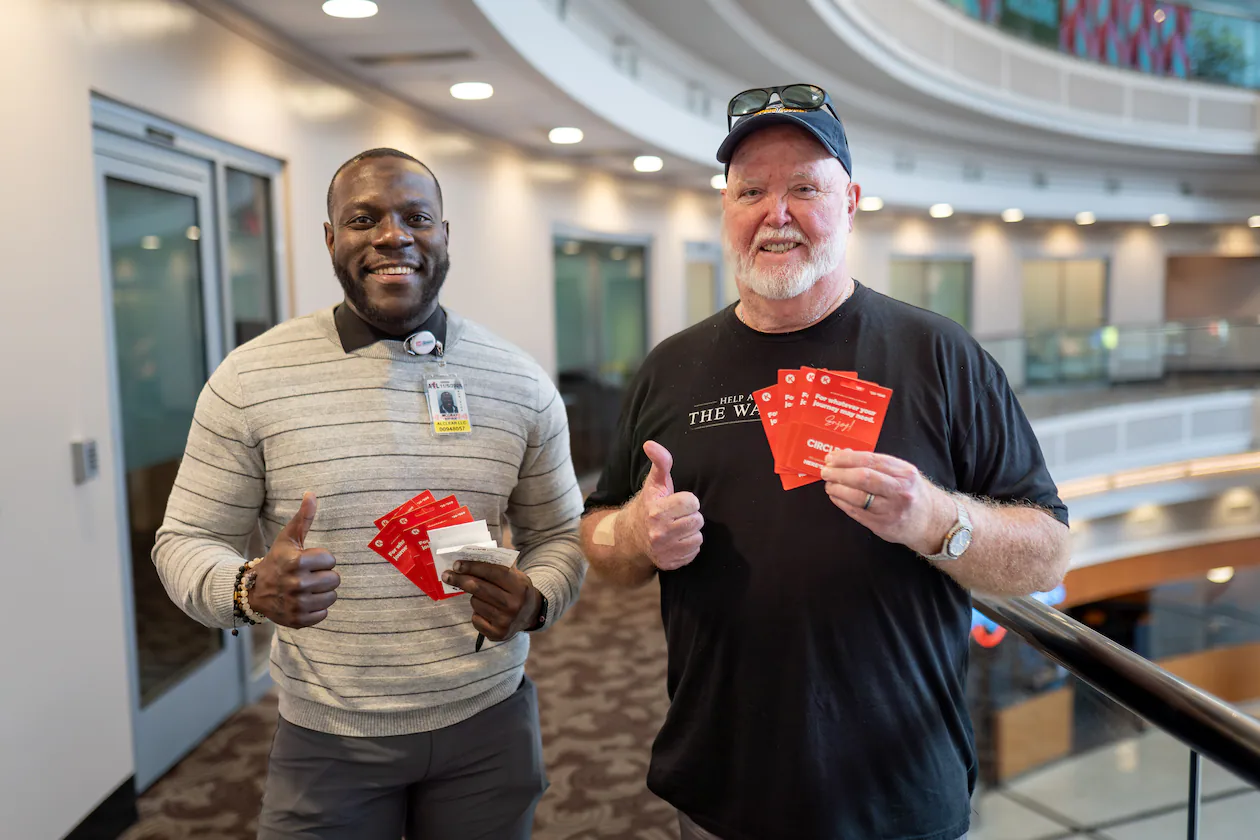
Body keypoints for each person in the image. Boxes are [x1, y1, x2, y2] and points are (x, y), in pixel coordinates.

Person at [579, 84, 1070, 840]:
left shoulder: (938, 354)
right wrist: (636, 536)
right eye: (751, 191)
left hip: (900, 798)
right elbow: (598, 540)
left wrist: (935, 519)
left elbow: (1045, 555)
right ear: (726, 211)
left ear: (851, 201)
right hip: (721, 795)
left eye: (805, 187)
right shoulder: (670, 368)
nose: (776, 214)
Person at [153, 147, 585, 840]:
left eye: (417, 216)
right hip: (329, 737)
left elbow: (561, 535)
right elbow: (183, 541)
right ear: (331, 238)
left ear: (445, 234)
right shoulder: (250, 380)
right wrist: (245, 588)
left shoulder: (521, 383)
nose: (393, 235)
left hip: (488, 724)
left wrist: (537, 598)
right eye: (364, 218)